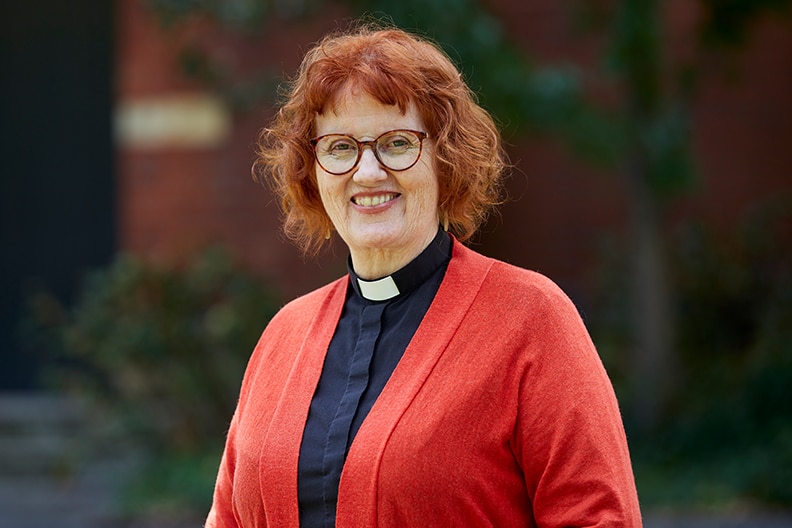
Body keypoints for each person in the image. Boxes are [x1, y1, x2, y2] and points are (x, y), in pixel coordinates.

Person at [205, 21, 642, 528]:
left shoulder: (530, 319)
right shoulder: (284, 334)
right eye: (341, 147)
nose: (367, 173)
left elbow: (597, 518)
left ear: (446, 157)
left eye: (396, 143)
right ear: (314, 169)